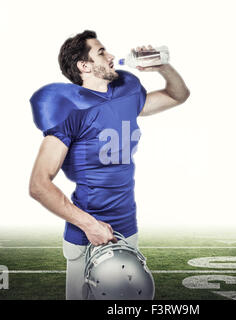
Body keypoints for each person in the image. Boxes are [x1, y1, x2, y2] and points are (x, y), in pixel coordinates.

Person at [29, 30, 190, 300]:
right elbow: (38, 185)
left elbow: (178, 95)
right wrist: (89, 225)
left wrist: (163, 67)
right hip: (86, 236)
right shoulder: (70, 109)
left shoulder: (125, 93)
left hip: (127, 227)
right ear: (84, 66)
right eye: (101, 52)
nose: (112, 56)